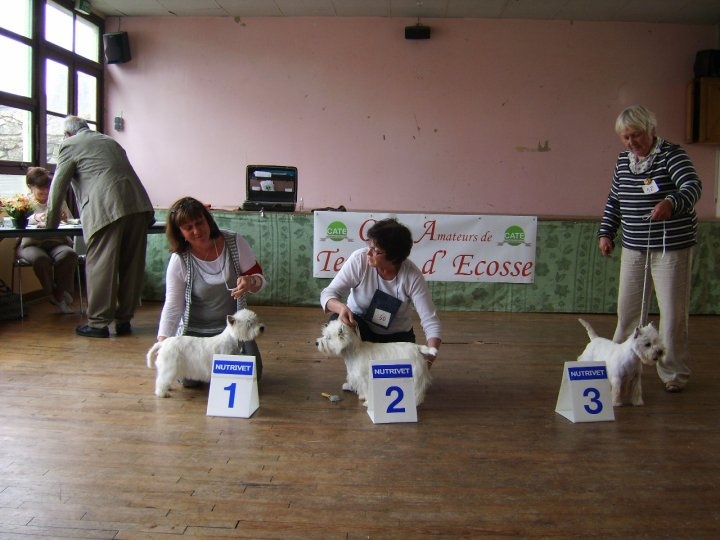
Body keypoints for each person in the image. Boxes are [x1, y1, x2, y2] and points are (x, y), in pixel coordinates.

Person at [598, 105, 702, 393]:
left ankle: (673, 373)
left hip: (671, 248)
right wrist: (606, 232)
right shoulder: (623, 161)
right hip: (634, 246)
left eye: (637, 135)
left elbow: (692, 186)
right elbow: (614, 200)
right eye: (626, 137)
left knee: (671, 315)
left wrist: (671, 202)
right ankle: (618, 367)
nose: (632, 142)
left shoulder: (672, 155)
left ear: (651, 130)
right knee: (628, 313)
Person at [46, 115, 155, 338]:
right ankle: (124, 320)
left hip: (106, 208)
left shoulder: (70, 144)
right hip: (138, 206)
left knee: (101, 266)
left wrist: (50, 223)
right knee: (131, 266)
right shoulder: (109, 141)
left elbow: (58, 187)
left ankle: (97, 324)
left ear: (67, 134)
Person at [156, 196, 267, 381]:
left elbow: (261, 281)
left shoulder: (235, 242)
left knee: (252, 375)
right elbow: (172, 306)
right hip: (195, 332)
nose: (197, 231)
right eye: (188, 228)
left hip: (234, 330)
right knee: (188, 381)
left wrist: (251, 281)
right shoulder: (179, 260)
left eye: (199, 222)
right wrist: (163, 343)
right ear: (179, 232)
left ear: (208, 220)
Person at [320, 218, 441, 367]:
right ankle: (357, 367)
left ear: (394, 257)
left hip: (396, 337)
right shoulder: (359, 260)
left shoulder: (412, 276)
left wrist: (428, 360)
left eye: (376, 251)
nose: (368, 253)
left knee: (397, 376)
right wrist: (341, 308)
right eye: (369, 245)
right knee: (337, 320)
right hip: (361, 330)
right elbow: (327, 294)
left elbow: (430, 321)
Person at [17, 167, 78, 314]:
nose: (45, 192)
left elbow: (71, 221)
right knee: (41, 260)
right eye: (41, 188)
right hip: (31, 244)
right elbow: (18, 221)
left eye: (47, 188)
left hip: (57, 242)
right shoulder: (23, 202)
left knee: (69, 255)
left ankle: (58, 295)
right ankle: (54, 294)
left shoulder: (57, 200)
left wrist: (65, 219)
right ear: (30, 187)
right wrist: (35, 218)